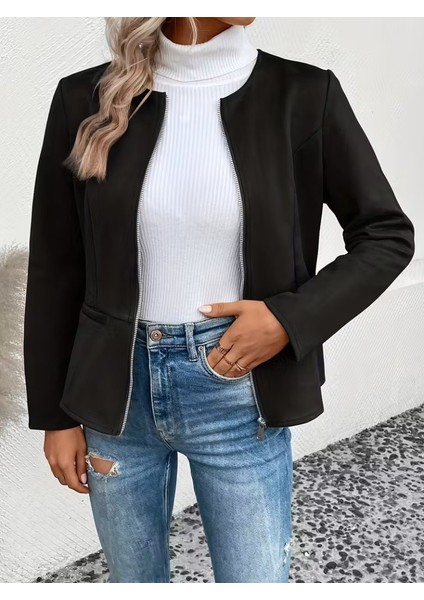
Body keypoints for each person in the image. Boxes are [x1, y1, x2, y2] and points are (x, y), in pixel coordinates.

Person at [23, 17, 415, 583]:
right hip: (115, 394)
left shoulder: (304, 96)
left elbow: (385, 235)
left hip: (239, 388)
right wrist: (55, 415)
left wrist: (287, 319)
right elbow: (57, 264)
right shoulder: (85, 97)